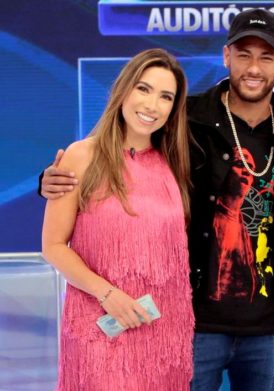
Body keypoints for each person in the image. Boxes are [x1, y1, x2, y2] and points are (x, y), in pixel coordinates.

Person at [40, 9, 274, 391]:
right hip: (192, 321)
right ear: (226, 56)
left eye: (266, 56)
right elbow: (110, 164)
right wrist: (50, 180)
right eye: (244, 54)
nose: (153, 105)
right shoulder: (190, 122)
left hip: (254, 325)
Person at [41, 48, 194, 389]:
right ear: (123, 90)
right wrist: (108, 294)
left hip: (164, 334)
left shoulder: (175, 164)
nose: (152, 105)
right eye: (143, 89)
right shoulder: (82, 155)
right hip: (99, 326)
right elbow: (53, 246)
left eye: (165, 96)